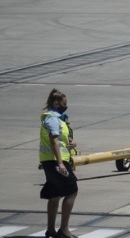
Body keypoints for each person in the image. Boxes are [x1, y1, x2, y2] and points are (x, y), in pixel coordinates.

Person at [39, 89, 78, 238]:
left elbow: (60, 141)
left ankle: (50, 230)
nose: (66, 106)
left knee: (55, 194)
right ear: (56, 103)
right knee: (72, 190)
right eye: (64, 104)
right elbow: (54, 141)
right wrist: (61, 164)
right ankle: (64, 229)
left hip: (51, 160)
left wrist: (71, 144)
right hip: (56, 161)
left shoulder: (57, 118)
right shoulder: (52, 119)